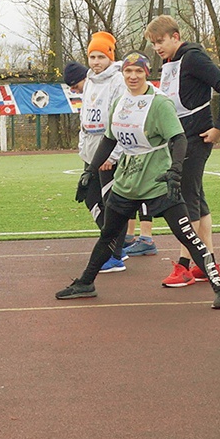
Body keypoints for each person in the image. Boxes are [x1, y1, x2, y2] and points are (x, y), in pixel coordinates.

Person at [57, 54, 220, 309]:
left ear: (147, 73)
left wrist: (175, 170)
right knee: (108, 234)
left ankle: (219, 288)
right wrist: (90, 171)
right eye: (129, 71)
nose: (133, 76)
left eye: (139, 71)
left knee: (187, 235)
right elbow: (109, 139)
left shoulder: (160, 103)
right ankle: (85, 283)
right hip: (128, 182)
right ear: (123, 73)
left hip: (158, 183)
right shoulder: (120, 101)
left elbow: (179, 139)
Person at [146, 16, 220, 288]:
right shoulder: (171, 63)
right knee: (197, 197)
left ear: (175, 36)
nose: (157, 47)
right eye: (153, 43)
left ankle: (184, 264)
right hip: (180, 138)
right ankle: (207, 261)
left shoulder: (193, 58)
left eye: (160, 41)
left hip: (196, 136)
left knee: (186, 199)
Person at [72, 37, 126, 274]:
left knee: (112, 202)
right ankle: (114, 245)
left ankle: (114, 254)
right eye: (92, 57)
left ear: (110, 56)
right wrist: (85, 152)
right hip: (92, 151)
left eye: (101, 57)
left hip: (110, 151)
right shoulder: (90, 82)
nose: (96, 62)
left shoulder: (118, 80)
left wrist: (112, 155)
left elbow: (121, 119)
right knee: (90, 197)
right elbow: (86, 119)